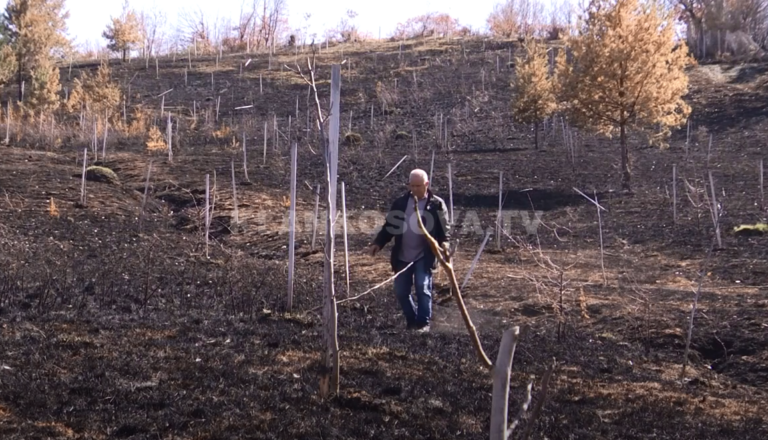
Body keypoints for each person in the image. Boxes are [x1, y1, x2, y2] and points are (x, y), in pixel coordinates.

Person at [365, 169, 450, 333]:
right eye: (412, 186)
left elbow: (444, 229)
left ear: (426, 184)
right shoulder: (400, 203)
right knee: (401, 290)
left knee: (422, 286)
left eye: (418, 186)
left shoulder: (436, 204)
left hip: (424, 255)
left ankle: (423, 323)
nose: (415, 189)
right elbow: (390, 227)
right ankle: (412, 322)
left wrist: (445, 244)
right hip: (403, 255)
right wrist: (378, 243)